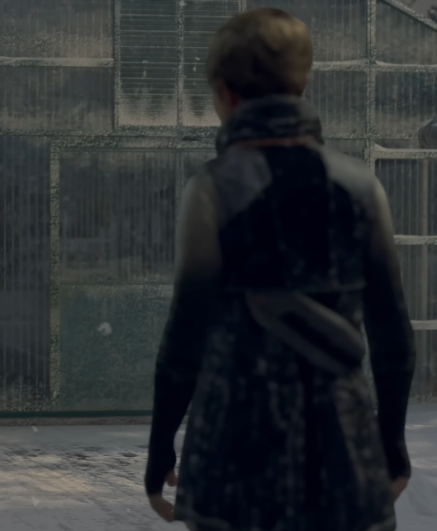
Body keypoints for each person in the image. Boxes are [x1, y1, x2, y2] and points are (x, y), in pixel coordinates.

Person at [144, 8, 416, 531]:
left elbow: (185, 341)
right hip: (344, 456)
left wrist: (161, 452)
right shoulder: (362, 187)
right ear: (303, 81)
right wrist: (392, 446)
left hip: (232, 461)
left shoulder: (212, 189)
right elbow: (392, 337)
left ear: (223, 93)